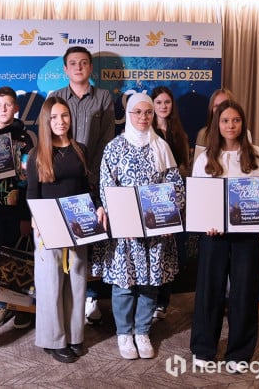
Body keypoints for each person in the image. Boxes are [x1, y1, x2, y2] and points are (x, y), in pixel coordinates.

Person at [92, 92, 184, 360]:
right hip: (126, 232)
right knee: (124, 284)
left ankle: (142, 331)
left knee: (149, 283)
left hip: (155, 233)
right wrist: (123, 220)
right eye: (138, 112)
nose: (143, 117)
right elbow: (106, 186)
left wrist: (169, 217)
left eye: (148, 112)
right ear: (128, 114)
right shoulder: (114, 147)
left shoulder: (161, 146)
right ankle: (124, 333)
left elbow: (175, 186)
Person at [190, 100, 259, 373]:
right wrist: (206, 222)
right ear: (217, 124)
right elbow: (198, 200)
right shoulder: (205, 158)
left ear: (243, 123)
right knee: (210, 291)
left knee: (244, 293)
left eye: (236, 120)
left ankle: (239, 352)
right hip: (213, 236)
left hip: (246, 236)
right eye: (226, 120)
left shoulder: (257, 155)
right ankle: (204, 348)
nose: (231, 125)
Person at [27, 96, 107, 364]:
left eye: (64, 116)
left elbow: (86, 187)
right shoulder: (37, 154)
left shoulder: (80, 148)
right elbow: (32, 193)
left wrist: (97, 206)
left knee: (76, 281)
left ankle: (74, 336)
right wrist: (36, 219)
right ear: (46, 121)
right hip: (48, 224)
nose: (60, 121)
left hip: (77, 223)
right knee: (50, 284)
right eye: (54, 117)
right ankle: (54, 340)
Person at [50, 45, 115, 325]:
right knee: (61, 239)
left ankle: (89, 296)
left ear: (90, 67)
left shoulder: (103, 98)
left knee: (88, 237)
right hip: (63, 177)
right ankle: (61, 298)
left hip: (93, 176)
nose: (79, 67)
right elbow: (49, 137)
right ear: (65, 69)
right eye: (73, 63)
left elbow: (107, 139)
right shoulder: (55, 97)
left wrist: (93, 171)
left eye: (84, 62)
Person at [0, 86, 35, 330]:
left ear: (16, 108)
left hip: (17, 208)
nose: (3, 109)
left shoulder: (26, 138)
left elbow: (28, 179)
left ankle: (21, 305)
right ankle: (1, 304)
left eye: (8, 105)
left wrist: (26, 215)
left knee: (20, 257)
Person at [150, 86, 190, 321]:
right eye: (159, 102)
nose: (163, 106)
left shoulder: (179, 134)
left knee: (169, 253)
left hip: (174, 200)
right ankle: (149, 300)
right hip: (152, 200)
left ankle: (162, 302)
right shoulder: (147, 131)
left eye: (167, 102)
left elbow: (184, 167)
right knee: (153, 251)